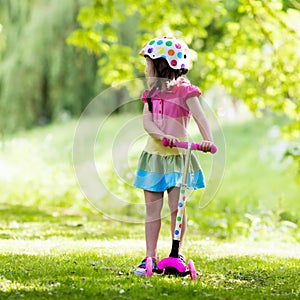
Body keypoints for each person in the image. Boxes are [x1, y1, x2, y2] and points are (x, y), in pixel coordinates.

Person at [133, 36, 214, 276]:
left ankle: (175, 253)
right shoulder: (150, 94)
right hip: (155, 157)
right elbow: (147, 122)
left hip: (179, 157)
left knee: (176, 207)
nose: (147, 69)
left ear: (163, 66)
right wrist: (160, 135)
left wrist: (207, 139)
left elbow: (200, 118)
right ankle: (150, 255)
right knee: (151, 208)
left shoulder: (187, 92)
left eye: (149, 64)